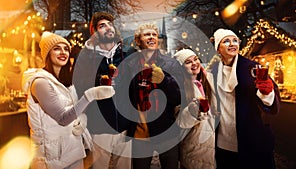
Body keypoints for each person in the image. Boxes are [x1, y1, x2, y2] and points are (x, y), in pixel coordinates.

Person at [22, 31, 115, 169]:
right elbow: (63, 118)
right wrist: (89, 96)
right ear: (47, 54)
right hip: (52, 157)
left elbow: (74, 109)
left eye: (66, 48)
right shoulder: (40, 83)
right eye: (56, 48)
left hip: (73, 151)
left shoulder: (67, 83)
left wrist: (82, 118)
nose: (63, 52)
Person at [208, 28, 281, 169]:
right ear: (218, 48)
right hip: (223, 142)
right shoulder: (213, 72)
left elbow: (272, 106)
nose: (232, 44)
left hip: (252, 140)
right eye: (226, 41)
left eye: (235, 40)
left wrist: (266, 92)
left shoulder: (252, 68)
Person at [115, 23, 184, 169]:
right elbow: (123, 96)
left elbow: (179, 97)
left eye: (154, 34)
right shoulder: (129, 65)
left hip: (167, 132)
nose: (152, 37)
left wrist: (164, 80)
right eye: (147, 34)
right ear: (138, 41)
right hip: (140, 132)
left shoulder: (171, 64)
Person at [72, 12, 131, 169]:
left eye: (110, 24)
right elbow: (78, 88)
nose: (107, 28)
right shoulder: (85, 57)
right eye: (102, 26)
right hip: (99, 127)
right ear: (95, 32)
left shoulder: (126, 54)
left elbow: (134, 89)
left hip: (125, 127)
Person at [173, 48, 217, 169]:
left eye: (195, 59)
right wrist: (193, 111)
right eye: (188, 62)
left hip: (212, 145)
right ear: (181, 68)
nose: (194, 63)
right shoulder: (180, 88)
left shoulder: (208, 80)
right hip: (194, 147)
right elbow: (180, 122)